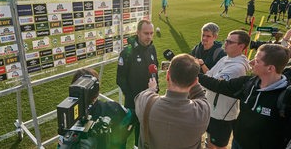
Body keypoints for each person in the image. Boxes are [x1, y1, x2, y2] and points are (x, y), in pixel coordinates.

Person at [198, 44, 291, 149]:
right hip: (237, 143)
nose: (251, 62)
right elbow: (218, 85)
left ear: (270, 68)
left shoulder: (286, 97)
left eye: (257, 61)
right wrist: (194, 74)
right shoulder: (248, 83)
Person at [135, 54, 210, 149]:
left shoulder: (146, 102)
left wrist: (151, 89)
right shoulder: (202, 111)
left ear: (167, 75)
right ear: (195, 82)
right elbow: (201, 96)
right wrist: (192, 79)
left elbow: (141, 96)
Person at [196, 30, 251, 149]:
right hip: (213, 110)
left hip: (222, 116)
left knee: (218, 146)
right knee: (210, 142)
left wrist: (194, 74)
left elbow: (213, 85)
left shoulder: (237, 67)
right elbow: (209, 75)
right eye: (226, 40)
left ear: (241, 46)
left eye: (230, 42)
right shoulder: (225, 58)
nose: (225, 43)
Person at [58, 68, 133, 149]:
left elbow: (62, 144)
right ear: (97, 90)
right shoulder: (113, 108)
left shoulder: (67, 119)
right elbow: (131, 118)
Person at [116, 19, 159, 148]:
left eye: (151, 33)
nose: (149, 36)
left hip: (150, 100)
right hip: (133, 103)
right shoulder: (127, 52)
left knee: (144, 134)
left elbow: (154, 71)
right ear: (138, 33)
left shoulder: (152, 48)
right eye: (146, 33)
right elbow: (120, 79)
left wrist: (156, 89)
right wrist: (133, 98)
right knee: (124, 134)